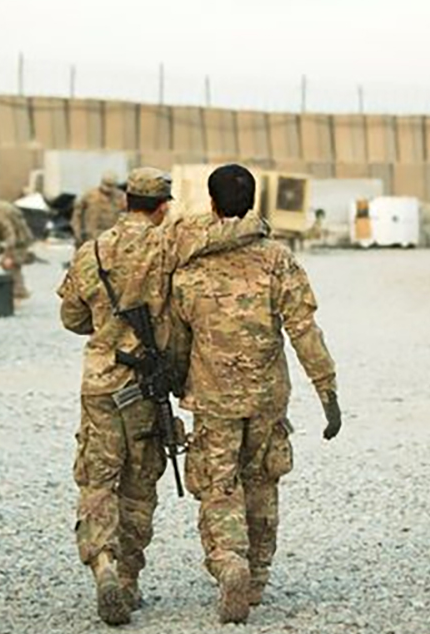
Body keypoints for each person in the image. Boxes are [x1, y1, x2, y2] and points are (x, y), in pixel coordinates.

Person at [57, 167, 265, 626]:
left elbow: (72, 317)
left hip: (100, 385)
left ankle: (104, 564)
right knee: (136, 486)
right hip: (146, 385)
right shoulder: (168, 242)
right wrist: (256, 225)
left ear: (125, 200)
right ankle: (128, 582)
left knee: (97, 480)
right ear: (163, 204)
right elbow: (217, 236)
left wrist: (105, 325)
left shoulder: (90, 251)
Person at [170, 164, 341, 624]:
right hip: (267, 399)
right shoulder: (277, 261)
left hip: (213, 399)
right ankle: (258, 578)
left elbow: (177, 340)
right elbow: (304, 329)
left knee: (219, 484)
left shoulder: (192, 266)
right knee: (263, 482)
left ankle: (230, 563)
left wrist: (174, 386)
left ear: (212, 204)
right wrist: (328, 393)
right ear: (254, 202)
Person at [0, 199, 35, 299]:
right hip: (21, 237)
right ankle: (18, 290)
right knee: (14, 266)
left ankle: (18, 292)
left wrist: (7, 254)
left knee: (11, 264)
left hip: (19, 239)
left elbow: (10, 233)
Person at [71, 171, 124, 246]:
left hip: (112, 240)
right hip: (91, 239)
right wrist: (77, 233)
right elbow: (77, 215)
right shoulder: (89, 195)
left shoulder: (120, 197)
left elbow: (126, 216)